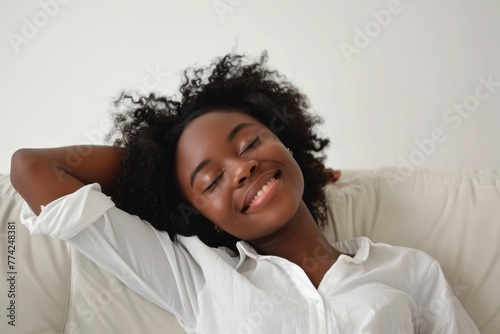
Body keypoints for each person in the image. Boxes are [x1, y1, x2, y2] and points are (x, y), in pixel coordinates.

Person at [10, 52, 479, 333]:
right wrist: (154, 169)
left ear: (288, 144)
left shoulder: (409, 271)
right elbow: (33, 169)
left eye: (250, 143)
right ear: (200, 215)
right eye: (210, 181)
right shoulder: (197, 280)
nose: (242, 168)